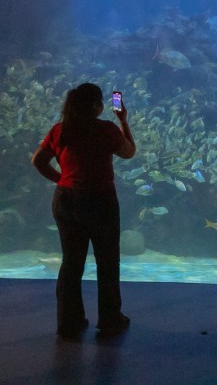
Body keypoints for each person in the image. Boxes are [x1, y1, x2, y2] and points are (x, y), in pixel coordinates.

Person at [31, 83, 136, 338]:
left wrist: (62, 180)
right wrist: (123, 120)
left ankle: (69, 322)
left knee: (71, 262)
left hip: (66, 201)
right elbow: (129, 153)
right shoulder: (106, 129)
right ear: (96, 106)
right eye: (101, 101)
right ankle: (110, 319)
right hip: (100, 201)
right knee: (107, 262)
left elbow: (38, 161)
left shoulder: (60, 130)